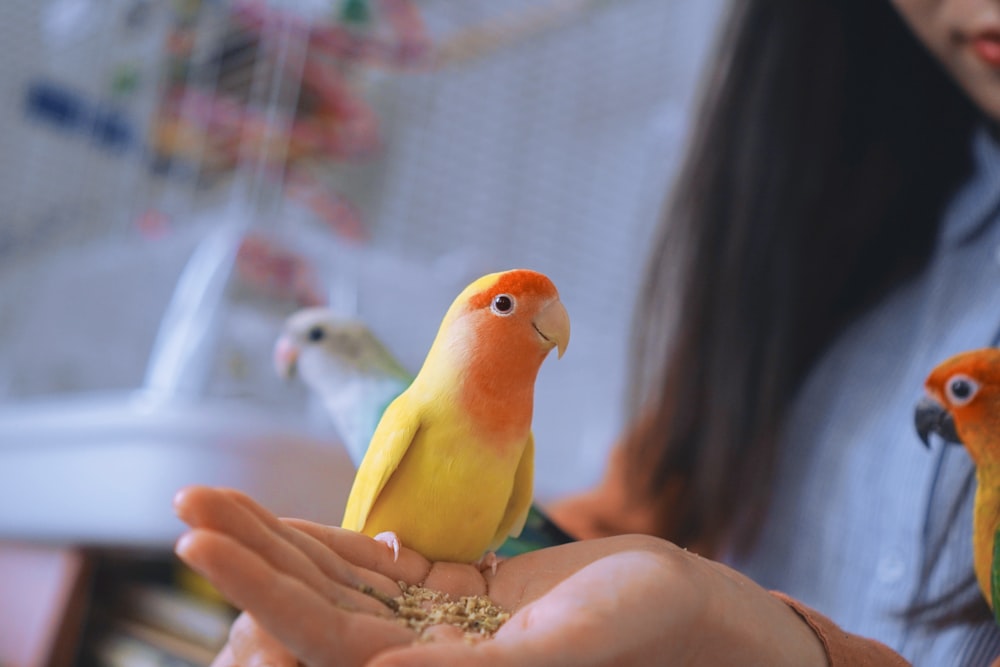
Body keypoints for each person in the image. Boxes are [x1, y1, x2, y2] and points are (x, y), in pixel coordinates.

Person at [173, 0, 1000, 664]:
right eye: (505, 309)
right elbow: (633, 513)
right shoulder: (836, 232)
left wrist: (768, 644)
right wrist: (546, 599)